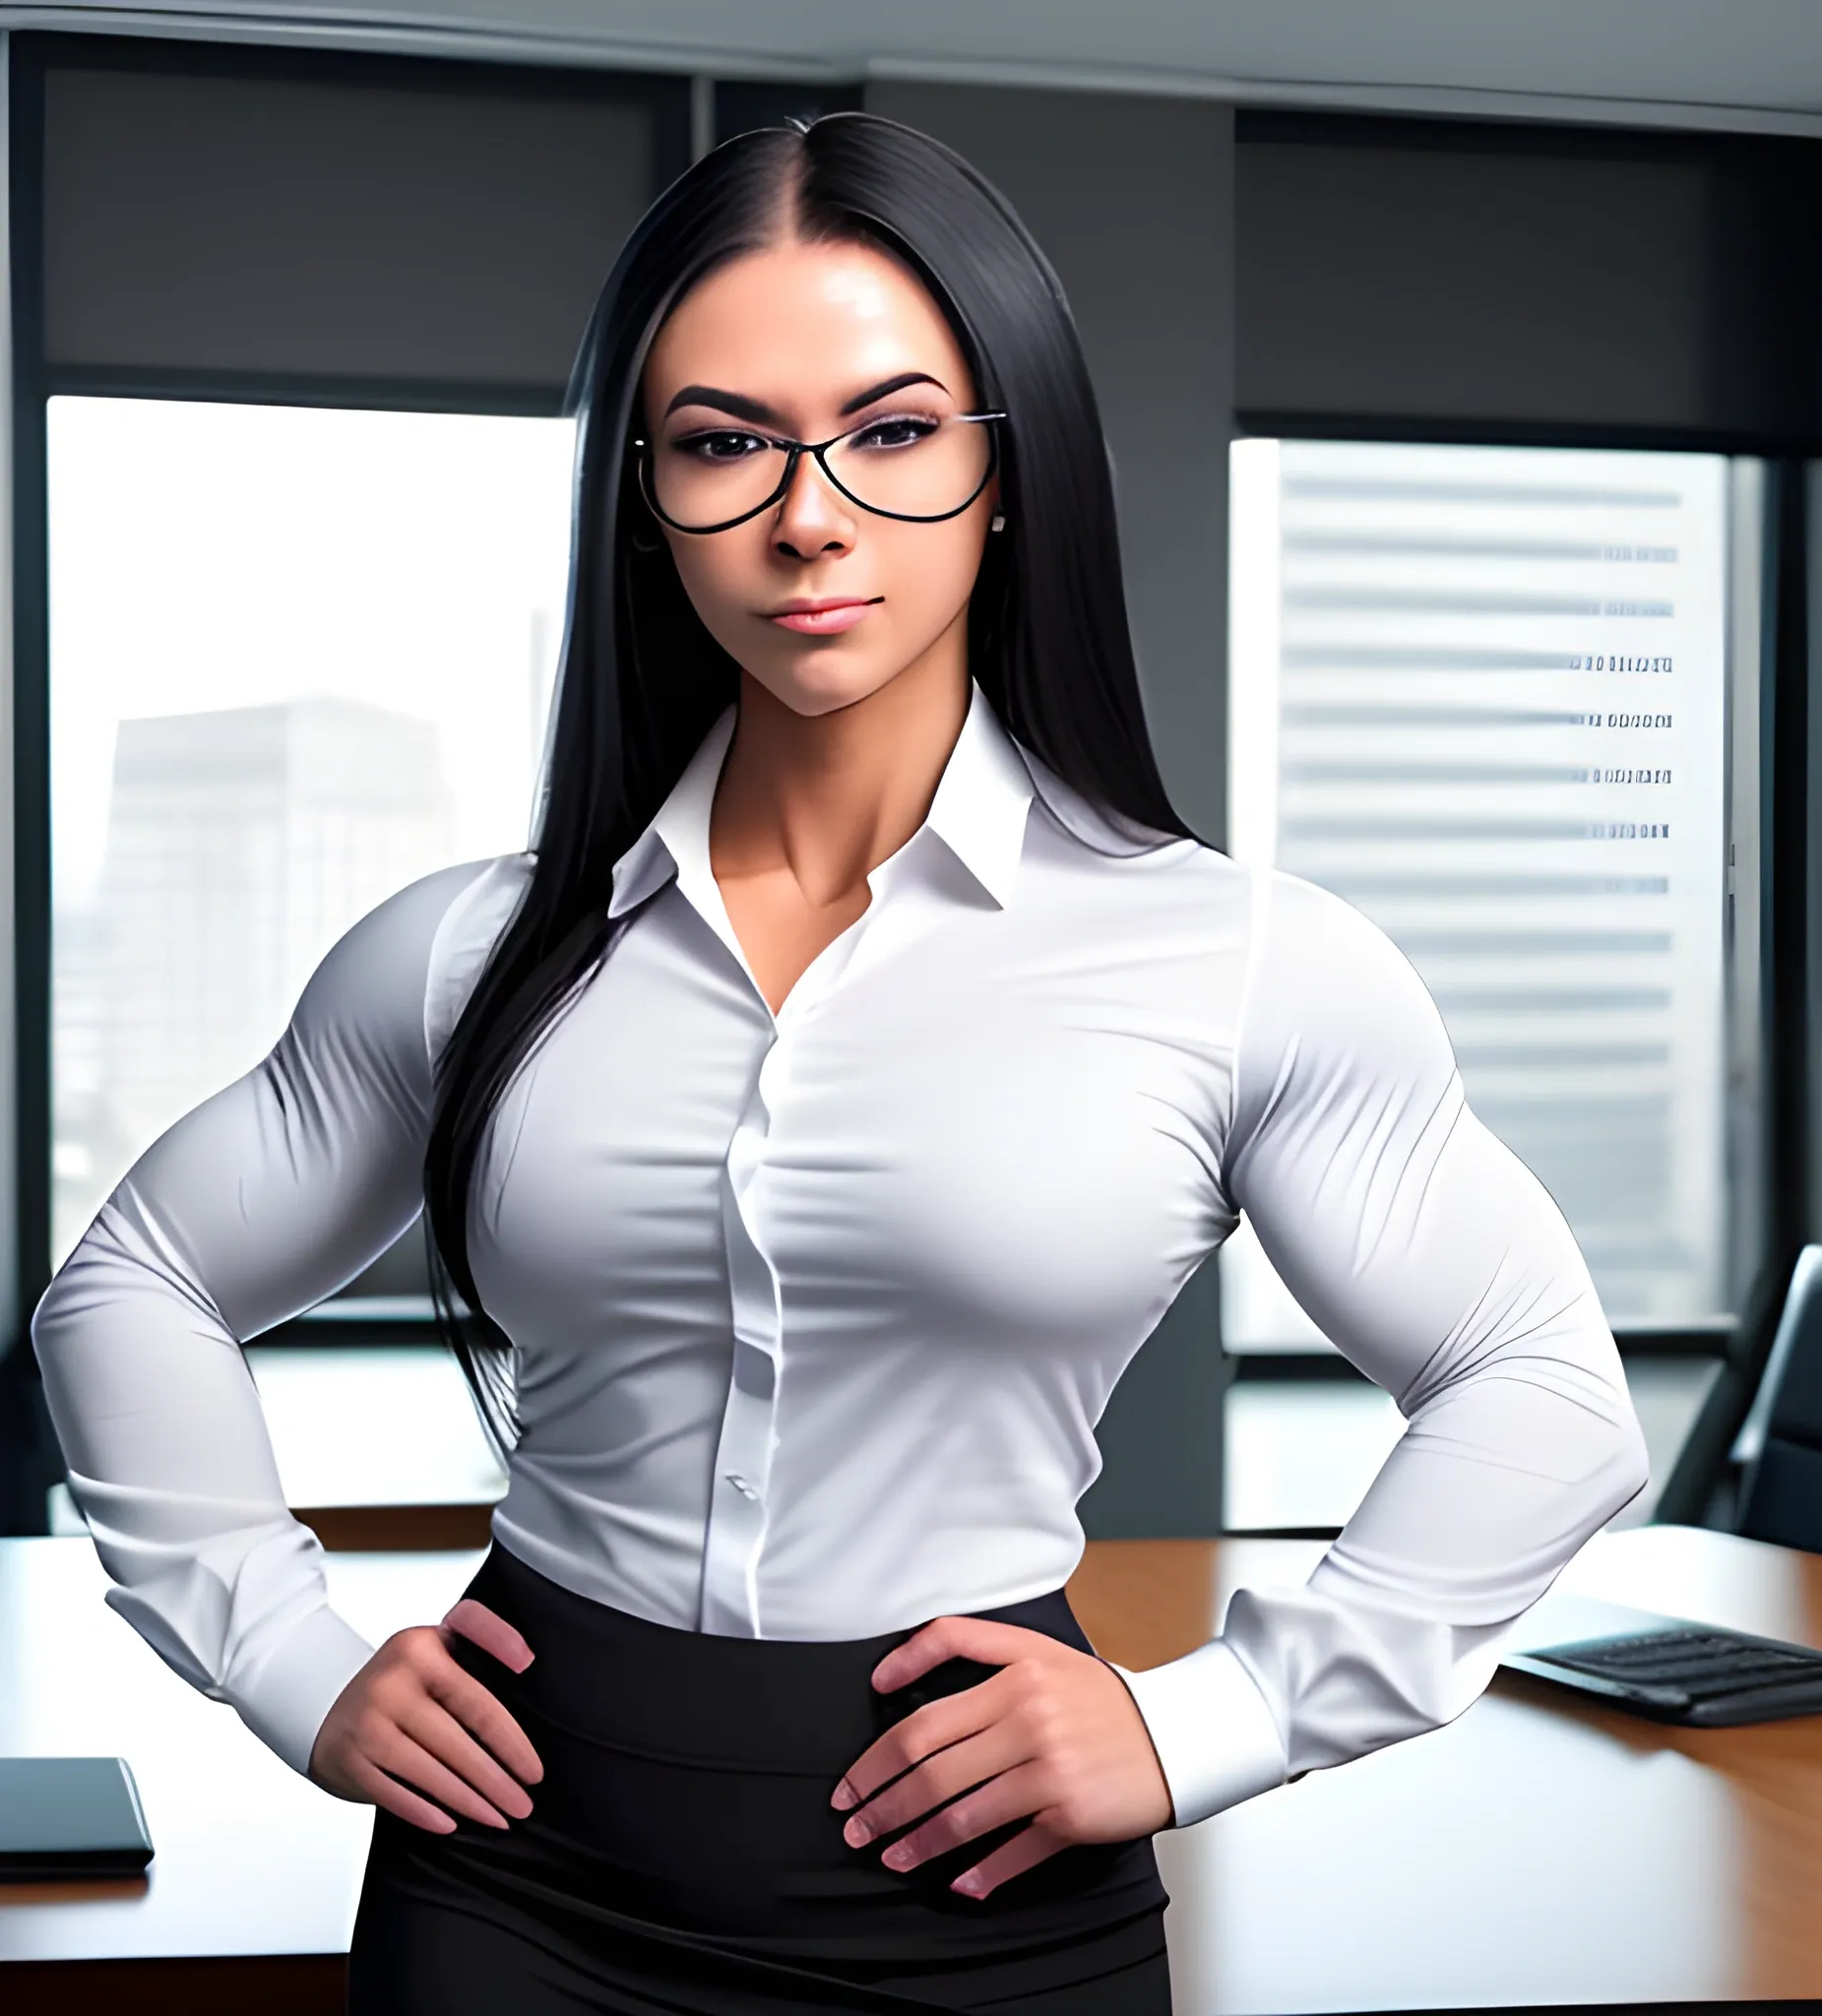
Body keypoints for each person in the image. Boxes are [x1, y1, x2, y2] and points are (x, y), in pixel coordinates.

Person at [30, 112, 1650, 2014]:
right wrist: (286, 1655)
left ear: (1005, 472)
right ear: (642, 493)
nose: (808, 518)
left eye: (889, 433)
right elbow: (129, 1286)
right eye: (724, 442)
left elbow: (1544, 1389)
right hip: (516, 1873)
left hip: (987, 1872)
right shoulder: (464, 951)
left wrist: (1220, 1718)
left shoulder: (1245, 963)